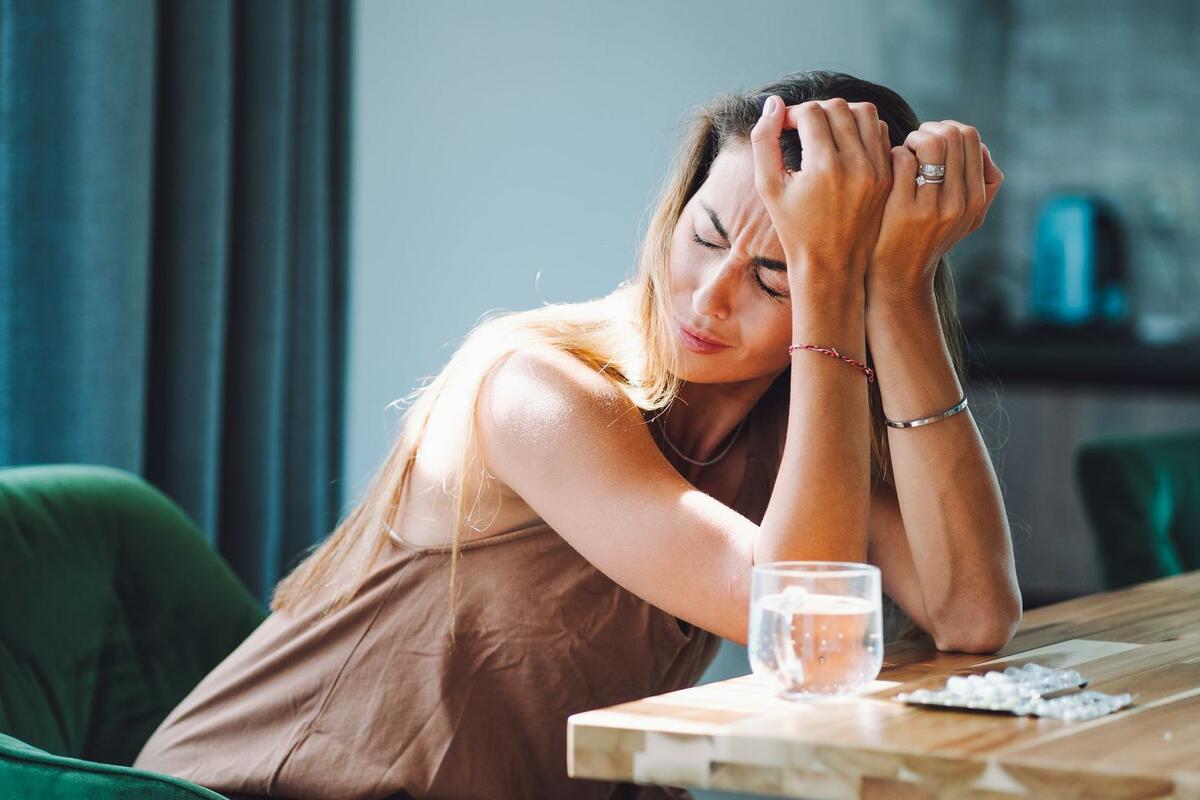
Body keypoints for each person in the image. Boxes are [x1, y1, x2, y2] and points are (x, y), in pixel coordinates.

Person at [132, 69, 1020, 799]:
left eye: (773, 276)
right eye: (705, 235)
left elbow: (972, 613)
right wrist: (823, 271)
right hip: (262, 790)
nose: (711, 296)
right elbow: (803, 631)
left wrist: (899, 286)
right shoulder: (534, 387)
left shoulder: (786, 444)